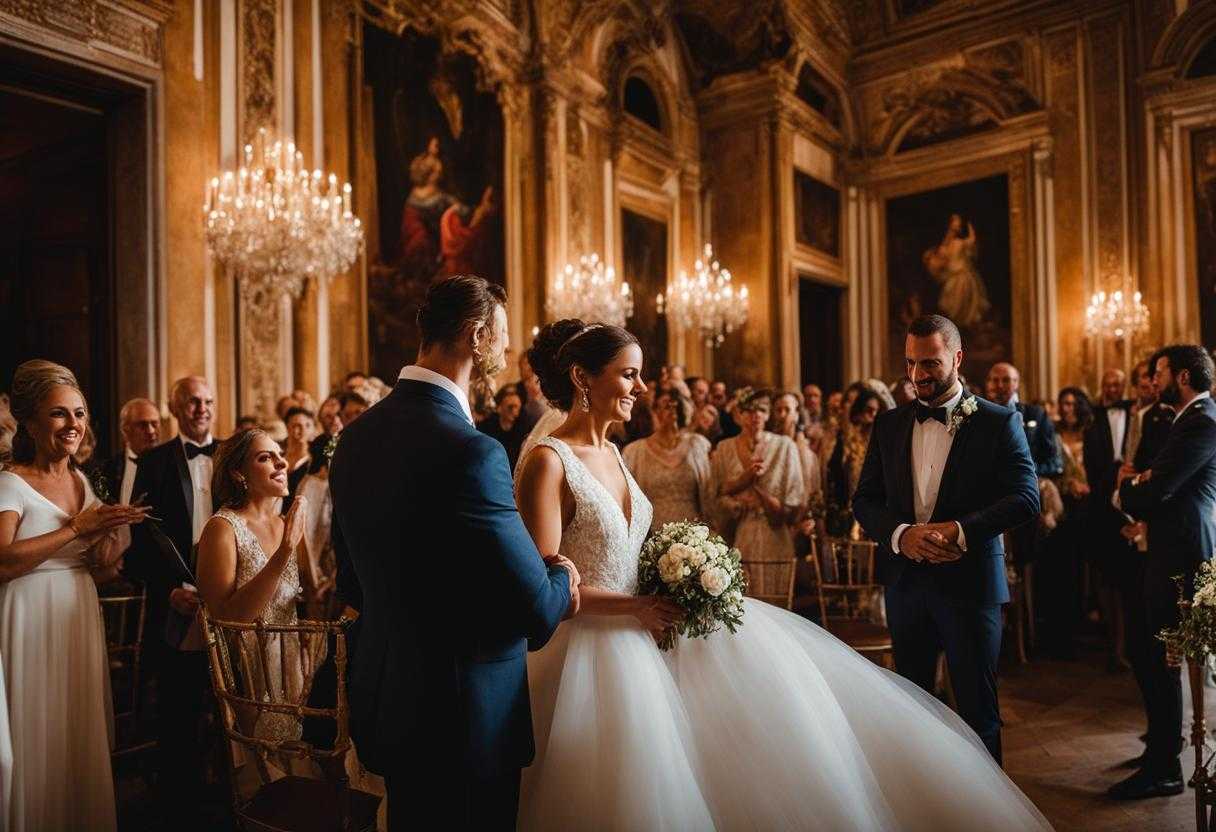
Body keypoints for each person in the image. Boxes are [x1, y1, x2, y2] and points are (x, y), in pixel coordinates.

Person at [515, 319, 1051, 830]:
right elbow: (545, 587)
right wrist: (636, 605)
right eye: (629, 374)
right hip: (590, 652)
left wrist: (676, 573)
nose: (642, 386)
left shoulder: (612, 452)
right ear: (584, 378)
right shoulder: (549, 460)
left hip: (649, 628)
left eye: (639, 373)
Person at [328, 275, 577, 830]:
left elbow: (351, 583)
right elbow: (537, 610)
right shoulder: (472, 451)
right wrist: (561, 572)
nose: (509, 351)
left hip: (392, 700)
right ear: (477, 335)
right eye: (504, 336)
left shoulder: (354, 439)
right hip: (467, 714)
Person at [853, 314, 1040, 762]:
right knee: (913, 709)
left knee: (979, 712)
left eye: (931, 364)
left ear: (957, 359)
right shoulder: (890, 425)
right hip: (905, 587)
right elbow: (865, 501)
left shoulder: (999, 422)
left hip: (970, 586)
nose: (918, 375)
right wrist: (901, 536)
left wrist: (959, 530)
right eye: (911, 364)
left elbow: (1026, 497)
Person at [0, 360, 150, 832]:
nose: (73, 425)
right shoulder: (10, 482)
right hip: (26, 614)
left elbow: (97, 568)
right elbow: (4, 563)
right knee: (35, 735)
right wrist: (75, 528)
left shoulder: (84, 482)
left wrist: (111, 540)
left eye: (80, 413)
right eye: (59, 414)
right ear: (29, 421)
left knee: (76, 734)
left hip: (77, 613)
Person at [1110, 345, 1216, 800]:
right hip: (1169, 552)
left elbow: (1158, 488)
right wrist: (1144, 483)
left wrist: (1129, 489)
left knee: (1164, 660)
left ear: (1185, 376)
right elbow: (1155, 483)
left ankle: (1166, 767)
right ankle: (1161, 747)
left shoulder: (1202, 422)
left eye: (1161, 372)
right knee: (1149, 652)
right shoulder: (1183, 420)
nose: (1155, 380)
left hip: (1185, 559)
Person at [124, 375, 219, 824]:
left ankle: (227, 795)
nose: (201, 408)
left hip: (228, 601)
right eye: (192, 402)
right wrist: (168, 592)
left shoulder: (233, 455)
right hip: (176, 601)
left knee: (225, 704)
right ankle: (179, 803)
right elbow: (141, 541)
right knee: (179, 705)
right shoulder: (155, 461)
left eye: (207, 401)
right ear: (175, 408)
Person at [196, 430, 308, 743]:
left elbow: (306, 599)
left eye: (279, 454)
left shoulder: (287, 523)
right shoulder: (222, 528)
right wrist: (285, 551)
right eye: (265, 457)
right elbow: (226, 622)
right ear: (238, 473)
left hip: (293, 672)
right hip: (248, 678)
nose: (281, 462)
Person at [711, 388, 804, 561]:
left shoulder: (785, 446)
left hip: (777, 537)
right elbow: (715, 495)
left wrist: (757, 489)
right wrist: (737, 502)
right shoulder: (724, 448)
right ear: (739, 414)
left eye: (762, 410)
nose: (756, 415)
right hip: (741, 534)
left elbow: (794, 501)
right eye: (749, 410)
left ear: (768, 415)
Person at [1084, 369, 1135, 671]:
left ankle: (1125, 646)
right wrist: (1111, 479)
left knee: (1127, 580)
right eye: (1108, 384)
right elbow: (1091, 465)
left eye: (1117, 384)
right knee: (1104, 577)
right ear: (1101, 387)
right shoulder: (1093, 418)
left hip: (1130, 507)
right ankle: (1111, 646)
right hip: (1101, 508)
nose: (1113, 389)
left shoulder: (1137, 414)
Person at [1040, 387, 1092, 658]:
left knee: (1090, 570)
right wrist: (1066, 483)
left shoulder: (1091, 432)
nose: (1068, 408)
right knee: (1065, 569)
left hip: (1091, 507)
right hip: (1064, 507)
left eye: (1073, 403)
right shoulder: (1054, 433)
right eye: (1064, 403)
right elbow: (1048, 466)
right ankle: (1063, 631)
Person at [622, 387, 713, 531]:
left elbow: (710, 492)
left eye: (676, 405)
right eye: (666, 405)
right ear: (655, 410)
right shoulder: (635, 451)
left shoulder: (697, 444)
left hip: (694, 533)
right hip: (654, 533)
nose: (672, 410)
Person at [822, 388, 881, 538]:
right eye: (869, 410)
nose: (873, 415)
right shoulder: (846, 438)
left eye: (876, 411)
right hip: (847, 506)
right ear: (860, 410)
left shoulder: (880, 439)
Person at [986, 362, 1062, 477]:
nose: (1000, 385)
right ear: (988, 384)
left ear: (1016, 383)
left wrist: (1026, 471)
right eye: (995, 380)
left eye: (1006, 380)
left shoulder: (1036, 414)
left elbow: (1054, 462)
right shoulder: (979, 414)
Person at [97, 397, 161, 508]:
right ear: (125, 430)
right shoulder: (107, 469)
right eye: (143, 425)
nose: (151, 431)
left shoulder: (172, 465)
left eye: (155, 424)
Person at [478, 385, 530, 471]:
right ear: (499, 408)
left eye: (518, 408)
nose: (515, 413)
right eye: (510, 407)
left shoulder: (523, 427)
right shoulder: (486, 426)